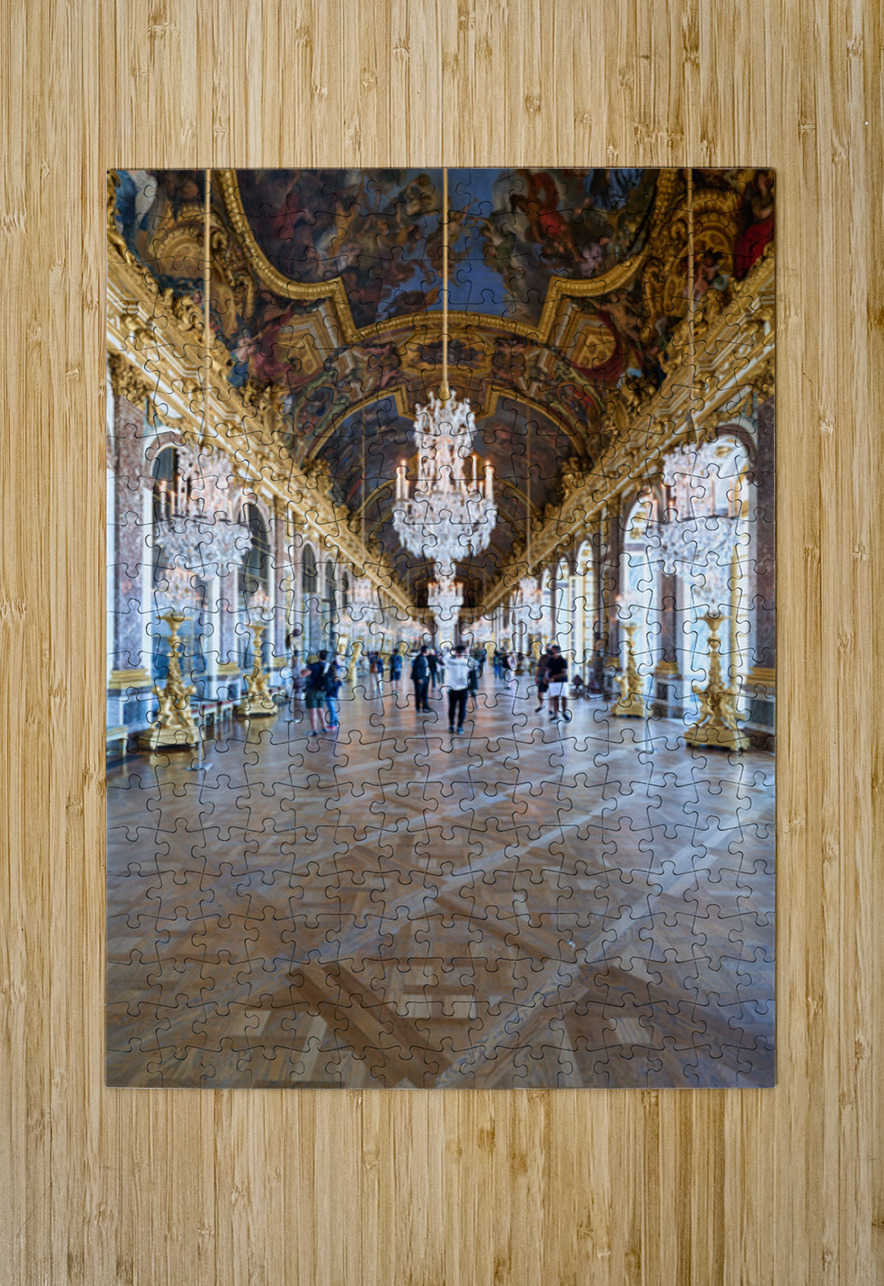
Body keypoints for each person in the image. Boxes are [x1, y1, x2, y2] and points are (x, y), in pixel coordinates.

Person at [303, 651, 332, 735]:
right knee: (320, 710)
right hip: (322, 691)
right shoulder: (328, 666)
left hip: (313, 691)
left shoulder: (314, 666)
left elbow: (303, 675)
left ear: (318, 657)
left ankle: (314, 730)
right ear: (326, 657)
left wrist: (302, 671)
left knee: (313, 711)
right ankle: (324, 728)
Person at [445, 644, 471, 735]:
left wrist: (451, 651)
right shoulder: (468, 662)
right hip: (464, 688)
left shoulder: (450, 661)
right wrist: (467, 653)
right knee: (462, 709)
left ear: (455, 652)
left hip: (452, 688)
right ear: (464, 652)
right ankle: (460, 727)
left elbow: (444, 658)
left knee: (452, 708)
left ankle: (451, 725)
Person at [546, 644, 571, 722]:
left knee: (564, 697)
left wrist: (553, 677)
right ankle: (556, 715)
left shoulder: (563, 660)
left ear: (557, 651)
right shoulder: (550, 660)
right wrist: (544, 677)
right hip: (553, 683)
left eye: (552, 651)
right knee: (555, 698)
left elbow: (564, 673)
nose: (551, 652)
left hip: (562, 682)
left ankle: (564, 713)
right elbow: (547, 669)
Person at [411, 646, 431, 713]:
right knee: (419, 693)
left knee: (424, 693)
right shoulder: (419, 658)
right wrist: (419, 678)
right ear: (425, 651)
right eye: (428, 650)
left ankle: (425, 707)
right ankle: (418, 707)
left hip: (425, 677)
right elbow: (416, 668)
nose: (429, 651)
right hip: (420, 678)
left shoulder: (424, 657)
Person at [535, 645, 553, 714]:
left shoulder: (554, 657)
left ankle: (551, 709)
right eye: (547, 648)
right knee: (540, 692)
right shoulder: (543, 657)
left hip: (551, 677)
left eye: (549, 648)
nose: (548, 649)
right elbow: (539, 667)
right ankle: (541, 705)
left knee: (552, 694)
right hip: (541, 676)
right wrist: (536, 677)